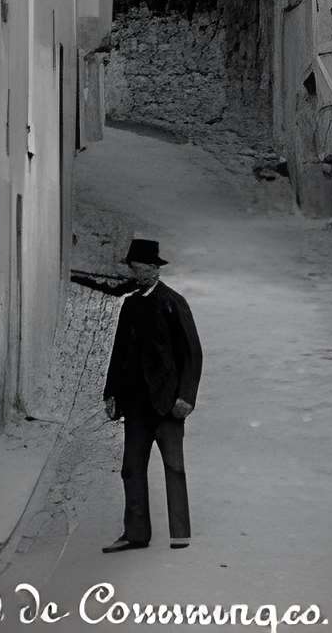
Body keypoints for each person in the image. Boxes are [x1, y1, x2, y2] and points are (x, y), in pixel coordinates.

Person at [102, 237, 202, 553]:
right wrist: (111, 393)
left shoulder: (174, 302)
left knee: (174, 466)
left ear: (154, 269)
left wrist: (186, 397)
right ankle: (136, 534)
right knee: (131, 468)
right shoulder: (130, 305)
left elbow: (192, 354)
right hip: (136, 406)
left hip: (168, 404)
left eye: (141, 266)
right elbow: (118, 354)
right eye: (134, 267)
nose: (136, 271)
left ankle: (180, 534)